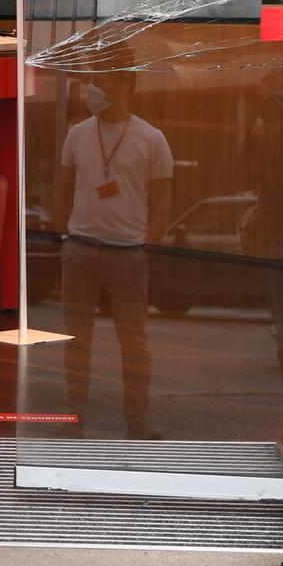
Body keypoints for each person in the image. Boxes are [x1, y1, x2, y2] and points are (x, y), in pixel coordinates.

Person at [52, 72, 172, 440]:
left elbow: (163, 201)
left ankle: (136, 418)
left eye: (104, 81)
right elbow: (63, 189)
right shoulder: (77, 134)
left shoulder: (151, 139)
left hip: (128, 252)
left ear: (125, 87)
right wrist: (66, 236)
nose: (95, 89)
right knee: (76, 339)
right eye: (95, 80)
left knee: (133, 340)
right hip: (82, 248)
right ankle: (74, 413)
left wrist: (145, 244)